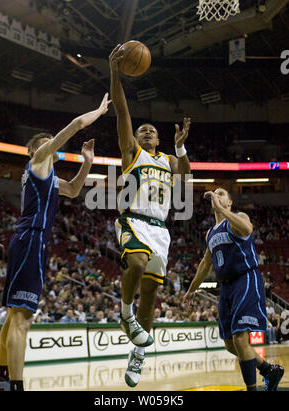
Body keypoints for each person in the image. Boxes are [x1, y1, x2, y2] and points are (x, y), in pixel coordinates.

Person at [0, 93, 111, 392]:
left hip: (30, 240)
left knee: (15, 314)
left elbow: (72, 189)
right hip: (32, 238)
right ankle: (15, 385)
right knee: (23, 319)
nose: (51, 145)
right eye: (45, 141)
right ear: (34, 149)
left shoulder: (47, 176)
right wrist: (98, 110)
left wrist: (88, 162)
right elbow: (75, 124)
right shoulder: (39, 159)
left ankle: (3, 378)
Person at [109, 44, 191, 388]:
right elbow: (123, 113)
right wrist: (115, 72)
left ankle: (138, 355)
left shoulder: (168, 161)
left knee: (152, 298)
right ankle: (124, 314)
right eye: (143, 130)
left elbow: (186, 178)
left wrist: (181, 147)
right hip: (133, 219)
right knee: (137, 264)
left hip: (160, 229)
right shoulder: (132, 152)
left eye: (151, 131)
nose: (146, 132)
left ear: (159, 138)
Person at [183, 187, 284, 391]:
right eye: (215, 194)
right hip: (226, 287)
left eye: (221, 194)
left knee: (240, 337)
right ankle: (269, 370)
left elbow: (247, 230)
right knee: (230, 344)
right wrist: (192, 288)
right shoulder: (210, 233)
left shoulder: (238, 217)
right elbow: (205, 263)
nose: (216, 195)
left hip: (245, 278)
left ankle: (252, 388)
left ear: (229, 202)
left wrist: (223, 210)